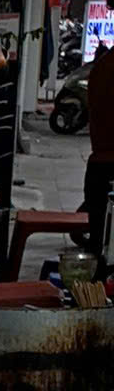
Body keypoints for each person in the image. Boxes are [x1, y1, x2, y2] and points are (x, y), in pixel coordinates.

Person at [88, 38, 114, 262]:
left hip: (101, 168)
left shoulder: (104, 65)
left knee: (101, 255)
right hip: (108, 168)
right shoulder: (106, 67)